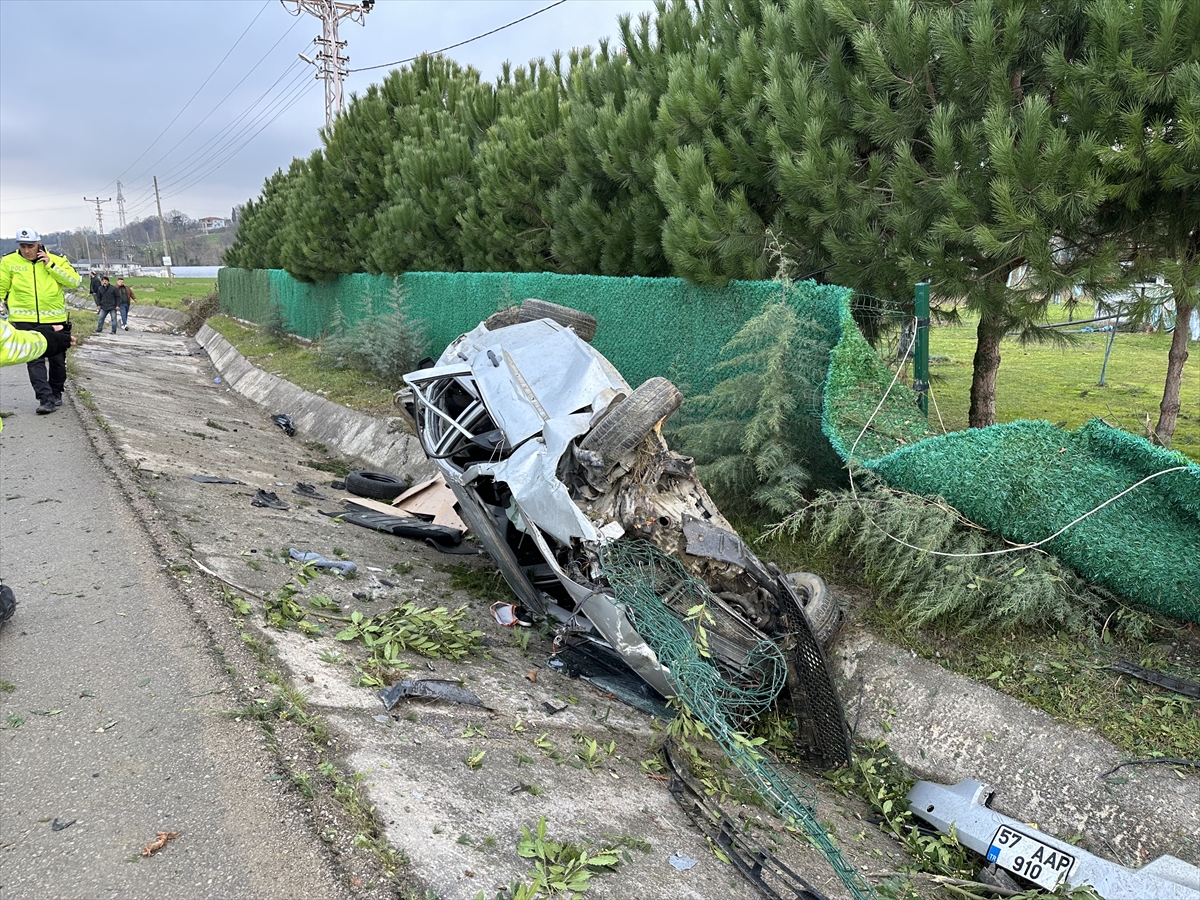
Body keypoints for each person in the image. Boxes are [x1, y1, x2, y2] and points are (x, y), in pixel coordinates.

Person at [0, 315, 75, 625]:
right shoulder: (11, 268)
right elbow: (10, 344)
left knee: (55, 367)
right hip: (33, 330)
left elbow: (69, 279)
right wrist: (49, 338)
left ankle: (53, 393)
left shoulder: (54, 264)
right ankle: (47, 397)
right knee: (41, 360)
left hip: (46, 325)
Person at [0, 227, 82, 414]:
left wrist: (51, 266)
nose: (27, 250)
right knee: (34, 359)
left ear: (39, 244)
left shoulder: (57, 259)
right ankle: (45, 399)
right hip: (24, 320)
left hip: (55, 319)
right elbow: (1, 287)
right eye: (23, 246)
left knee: (57, 360)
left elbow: (74, 281)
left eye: (31, 246)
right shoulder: (9, 261)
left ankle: (56, 392)